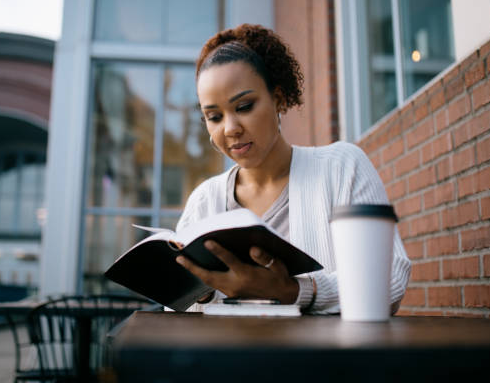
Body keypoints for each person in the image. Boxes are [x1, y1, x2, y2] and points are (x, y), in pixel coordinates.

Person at [174, 24, 411, 314]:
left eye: (245, 106)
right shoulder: (203, 201)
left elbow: (388, 281)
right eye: (214, 116)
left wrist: (293, 291)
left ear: (279, 98)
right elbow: (176, 314)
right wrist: (200, 295)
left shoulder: (341, 168)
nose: (230, 129)